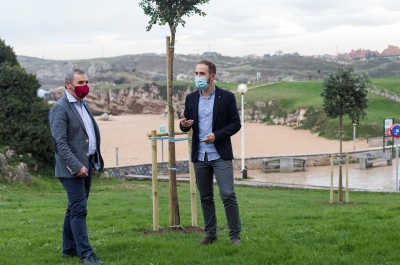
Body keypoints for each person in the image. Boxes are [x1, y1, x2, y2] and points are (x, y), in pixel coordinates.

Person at [180, 60, 242, 245]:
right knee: (206, 197)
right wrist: (183, 125)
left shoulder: (227, 97)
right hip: (200, 156)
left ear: (211, 76)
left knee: (228, 194)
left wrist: (217, 136)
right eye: (196, 73)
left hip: (219, 154)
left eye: (201, 74)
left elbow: (236, 124)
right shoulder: (191, 98)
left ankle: (235, 236)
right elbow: (185, 123)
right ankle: (210, 235)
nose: (197, 77)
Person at [49, 68, 104, 264]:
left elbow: (90, 136)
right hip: (71, 169)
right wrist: (77, 166)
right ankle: (86, 254)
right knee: (79, 209)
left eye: (86, 82)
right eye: (80, 83)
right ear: (68, 84)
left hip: (87, 164)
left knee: (74, 208)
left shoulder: (84, 105)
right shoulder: (60, 108)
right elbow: (60, 144)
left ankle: (68, 249)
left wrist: (94, 161)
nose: (85, 86)